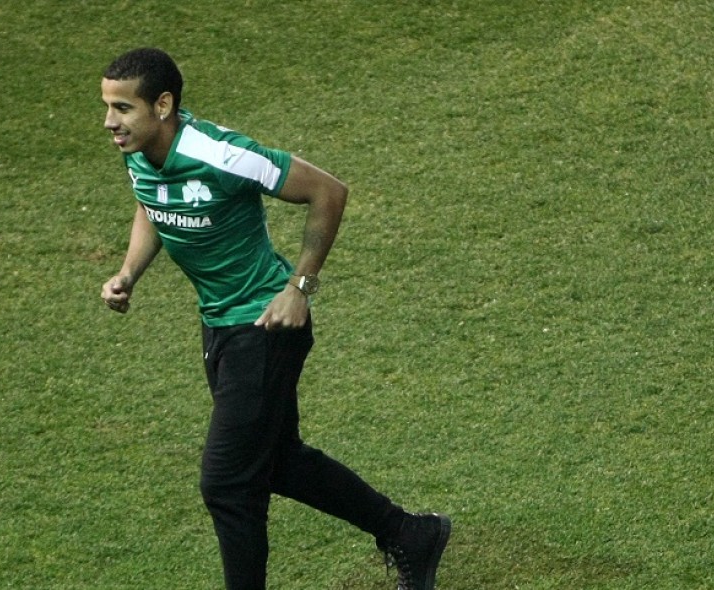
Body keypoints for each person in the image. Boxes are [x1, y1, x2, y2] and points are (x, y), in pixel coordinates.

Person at [98, 47, 451, 590]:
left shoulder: (222, 155)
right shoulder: (140, 149)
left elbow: (328, 191)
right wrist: (129, 273)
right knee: (276, 461)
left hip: (264, 326)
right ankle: (410, 533)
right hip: (219, 324)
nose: (109, 122)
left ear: (162, 105)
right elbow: (151, 203)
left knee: (227, 484)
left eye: (122, 108)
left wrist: (299, 288)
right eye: (107, 106)